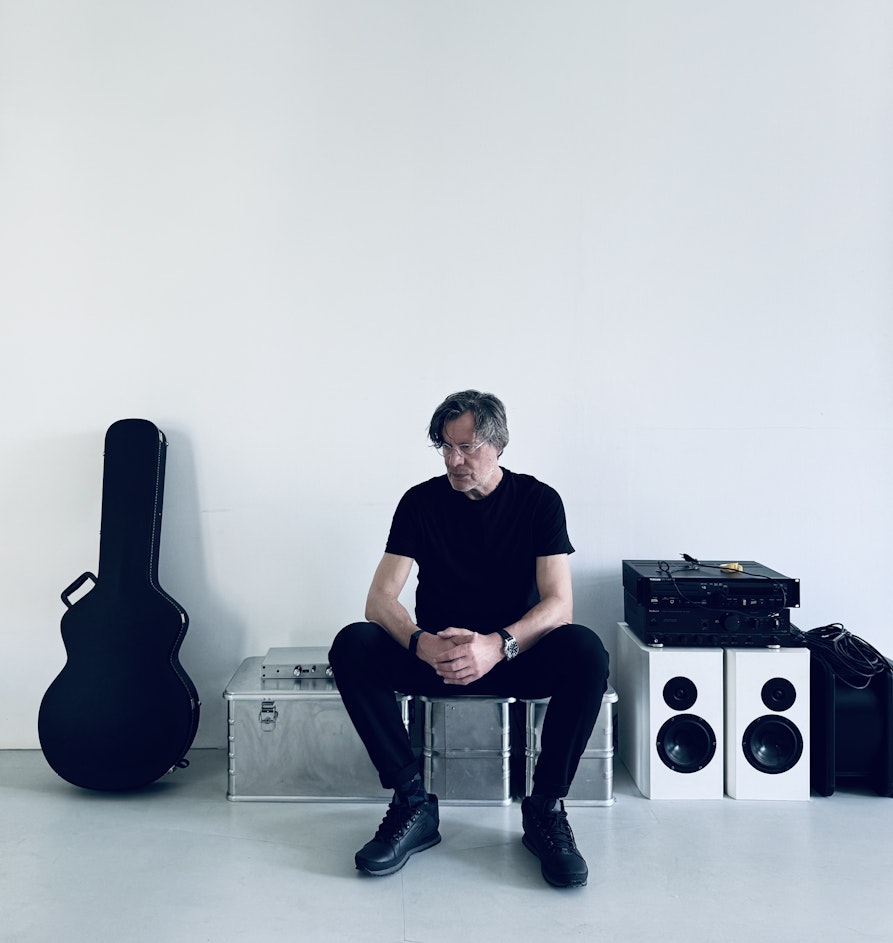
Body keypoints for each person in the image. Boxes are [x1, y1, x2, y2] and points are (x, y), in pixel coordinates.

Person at [329, 390, 609, 888]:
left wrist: (496, 645)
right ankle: (413, 803)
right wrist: (421, 643)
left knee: (586, 650)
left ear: (498, 444)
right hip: (437, 658)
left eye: (467, 447)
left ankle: (545, 809)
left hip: (513, 656)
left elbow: (559, 605)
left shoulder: (539, 501)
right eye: (445, 447)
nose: (453, 460)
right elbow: (379, 600)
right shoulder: (420, 502)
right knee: (353, 643)